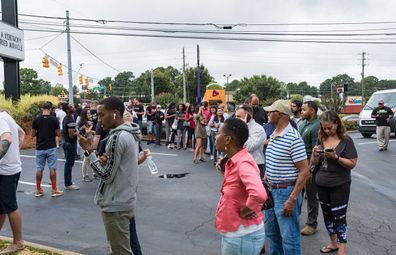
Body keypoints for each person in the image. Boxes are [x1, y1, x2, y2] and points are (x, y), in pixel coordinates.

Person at [79, 96, 141, 255]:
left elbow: (106, 176)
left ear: (114, 114)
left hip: (116, 204)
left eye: (101, 114)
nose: (99, 120)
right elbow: (123, 165)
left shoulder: (117, 137)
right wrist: (106, 160)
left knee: (121, 251)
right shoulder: (131, 133)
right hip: (126, 199)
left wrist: (89, 152)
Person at [214, 118, 267, 255]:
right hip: (238, 234)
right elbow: (237, 189)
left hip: (242, 235)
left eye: (218, 133)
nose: (215, 136)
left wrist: (246, 210)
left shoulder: (243, 163)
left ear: (227, 140)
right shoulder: (235, 160)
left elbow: (259, 194)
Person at [263, 99, 310, 255]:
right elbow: (272, 162)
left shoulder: (293, 138)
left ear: (281, 115)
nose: (268, 114)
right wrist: (266, 177)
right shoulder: (274, 134)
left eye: (271, 111)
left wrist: (292, 199)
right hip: (271, 191)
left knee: (289, 238)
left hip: (285, 192)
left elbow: (304, 171)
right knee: (272, 235)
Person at [310, 111, 358, 254]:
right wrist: (315, 155)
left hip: (339, 186)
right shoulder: (321, 138)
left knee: (339, 217)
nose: (327, 130)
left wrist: (336, 157)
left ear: (337, 123)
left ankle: (342, 250)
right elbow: (314, 163)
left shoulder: (346, 140)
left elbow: (352, 163)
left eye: (330, 127)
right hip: (322, 184)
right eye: (325, 128)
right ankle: (333, 243)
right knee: (327, 215)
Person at [0, 110, 26, 254]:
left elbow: (7, 139)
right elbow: (21, 133)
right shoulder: (6, 117)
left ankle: (18, 242)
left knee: (10, 206)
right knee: (2, 206)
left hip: (6, 171)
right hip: (10, 168)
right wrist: (16, 150)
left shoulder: (0, 119)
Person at [298, 101, 321, 236]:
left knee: (311, 194)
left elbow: (315, 151)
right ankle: (296, 217)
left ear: (312, 111)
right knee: (298, 192)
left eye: (304, 110)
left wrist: (311, 169)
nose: (301, 112)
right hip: (299, 162)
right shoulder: (303, 124)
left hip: (308, 162)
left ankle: (312, 224)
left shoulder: (317, 126)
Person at [32, 102, 64, 197]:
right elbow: (58, 134)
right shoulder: (54, 120)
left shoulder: (36, 120)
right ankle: (54, 189)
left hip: (40, 147)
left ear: (42, 108)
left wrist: (39, 132)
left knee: (39, 168)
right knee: (52, 168)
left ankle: (38, 190)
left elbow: (33, 134)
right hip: (51, 146)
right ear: (50, 109)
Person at [235, 104, 266, 179]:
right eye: (236, 116)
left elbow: (249, 147)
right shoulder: (237, 127)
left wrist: (243, 130)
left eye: (238, 116)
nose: (236, 118)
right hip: (239, 164)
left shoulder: (258, 129)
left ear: (247, 116)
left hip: (255, 165)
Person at [62, 103, 80, 190]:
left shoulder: (67, 118)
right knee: (69, 163)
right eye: (71, 107)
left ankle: (68, 182)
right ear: (68, 110)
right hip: (70, 143)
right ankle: (68, 184)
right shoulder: (69, 120)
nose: (73, 107)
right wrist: (78, 132)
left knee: (68, 163)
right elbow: (71, 135)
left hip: (66, 142)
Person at [77, 108, 94, 182]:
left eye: (89, 113)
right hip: (85, 142)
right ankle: (85, 175)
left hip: (88, 141)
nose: (89, 114)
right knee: (86, 158)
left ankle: (90, 174)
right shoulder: (83, 122)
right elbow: (86, 132)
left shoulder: (84, 121)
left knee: (87, 157)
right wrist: (91, 126)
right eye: (88, 113)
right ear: (84, 114)